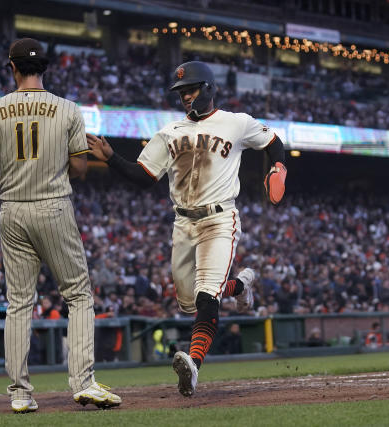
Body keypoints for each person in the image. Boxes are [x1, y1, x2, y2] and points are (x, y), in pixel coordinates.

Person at [87, 60, 287, 397]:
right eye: (181, 91)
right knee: (190, 300)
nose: (184, 96)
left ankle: (193, 365)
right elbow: (143, 177)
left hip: (220, 218)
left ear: (208, 88)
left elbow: (272, 141)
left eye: (190, 89)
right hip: (183, 223)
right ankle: (239, 286)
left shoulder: (236, 123)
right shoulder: (170, 133)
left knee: (206, 295)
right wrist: (110, 157)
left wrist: (279, 165)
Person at [0, 37, 121, 413]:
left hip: (12, 208)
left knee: (19, 302)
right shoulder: (69, 110)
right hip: (54, 205)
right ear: (46, 68)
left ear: (12, 67)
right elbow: (79, 168)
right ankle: (84, 382)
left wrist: (9, 186)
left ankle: (20, 394)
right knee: (78, 294)